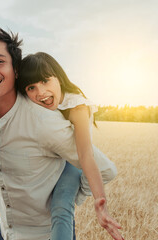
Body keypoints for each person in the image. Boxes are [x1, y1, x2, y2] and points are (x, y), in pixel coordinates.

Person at [0, 26, 123, 240]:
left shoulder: (45, 121)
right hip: (5, 232)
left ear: (16, 71)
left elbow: (105, 169)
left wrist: (66, 198)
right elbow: (3, 172)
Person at [16, 52, 122, 239]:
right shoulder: (30, 101)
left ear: (58, 77)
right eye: (32, 87)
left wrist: (99, 200)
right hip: (50, 155)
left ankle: (74, 198)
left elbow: (85, 155)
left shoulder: (77, 107)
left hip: (73, 161)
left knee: (61, 206)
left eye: (45, 81)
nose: (40, 92)